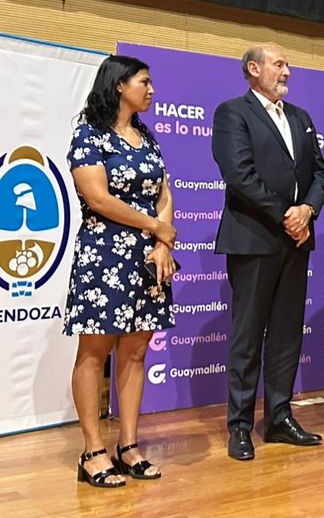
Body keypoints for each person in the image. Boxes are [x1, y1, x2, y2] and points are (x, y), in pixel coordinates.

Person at [212, 44, 324, 460]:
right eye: (279, 64)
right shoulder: (233, 113)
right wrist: (286, 215)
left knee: (285, 334)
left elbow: (321, 174)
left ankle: (279, 417)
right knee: (248, 336)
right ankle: (240, 426)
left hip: (295, 241)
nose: (287, 72)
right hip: (254, 238)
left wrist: (308, 210)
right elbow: (239, 174)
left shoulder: (300, 117)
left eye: (287, 65)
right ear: (253, 68)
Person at [64, 55, 177, 487]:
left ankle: (128, 446)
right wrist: (155, 226)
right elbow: (98, 198)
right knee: (94, 353)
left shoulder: (146, 136)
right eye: (144, 82)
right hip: (104, 256)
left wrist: (162, 244)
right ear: (118, 85)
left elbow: (164, 192)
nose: (151, 90)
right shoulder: (89, 134)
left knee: (135, 352)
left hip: (148, 258)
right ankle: (92, 452)